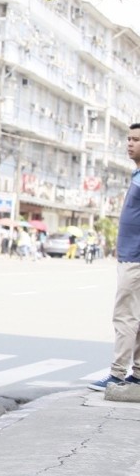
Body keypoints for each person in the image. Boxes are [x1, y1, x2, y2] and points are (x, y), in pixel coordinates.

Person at [90, 123, 140, 390]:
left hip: (136, 259)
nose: (129, 144)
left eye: (136, 140)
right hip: (131, 257)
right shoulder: (137, 174)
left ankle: (118, 373)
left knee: (124, 317)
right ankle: (138, 373)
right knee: (137, 319)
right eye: (128, 138)